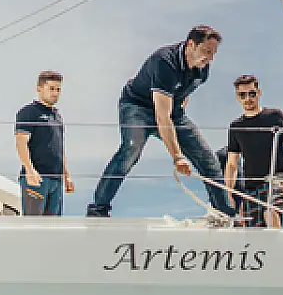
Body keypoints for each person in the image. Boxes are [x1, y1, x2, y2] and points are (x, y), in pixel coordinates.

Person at [86, 26, 234, 217]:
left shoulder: (202, 70)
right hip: (138, 107)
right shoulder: (165, 62)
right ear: (191, 44)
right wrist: (177, 156)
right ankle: (98, 209)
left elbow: (183, 94)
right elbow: (162, 117)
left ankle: (223, 213)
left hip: (173, 111)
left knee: (208, 159)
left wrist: (181, 120)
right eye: (206, 51)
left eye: (213, 53)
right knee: (131, 149)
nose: (210, 58)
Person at [224, 74, 283, 228]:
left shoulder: (274, 116)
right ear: (237, 97)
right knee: (254, 231)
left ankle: (278, 242)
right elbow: (232, 163)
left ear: (259, 93)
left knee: (270, 211)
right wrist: (228, 192)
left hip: (277, 179)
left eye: (251, 93)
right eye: (242, 95)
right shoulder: (236, 126)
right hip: (251, 186)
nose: (247, 98)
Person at [14, 70, 74, 216]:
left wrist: (66, 175)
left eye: (58, 89)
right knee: (34, 224)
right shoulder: (28, 112)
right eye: (51, 89)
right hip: (37, 178)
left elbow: (59, 148)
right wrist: (29, 170)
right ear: (39, 88)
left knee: (54, 226)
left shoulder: (57, 116)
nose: (55, 93)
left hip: (56, 180)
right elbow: (21, 142)